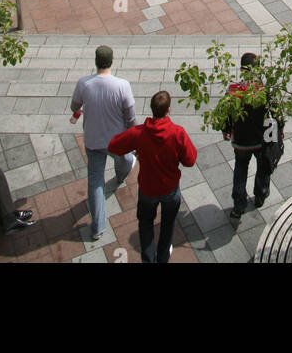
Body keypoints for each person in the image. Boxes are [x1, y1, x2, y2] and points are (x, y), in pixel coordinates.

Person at [108, 90, 197, 264]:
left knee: (146, 223)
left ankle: (148, 259)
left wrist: (135, 149)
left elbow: (114, 146)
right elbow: (190, 160)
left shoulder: (138, 133)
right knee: (168, 223)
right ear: (168, 110)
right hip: (170, 189)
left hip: (148, 189)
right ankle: (163, 257)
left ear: (151, 109)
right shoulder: (177, 133)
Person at [70, 46, 138, 240]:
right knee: (125, 158)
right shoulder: (122, 85)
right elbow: (131, 117)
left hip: (93, 140)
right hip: (117, 140)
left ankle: (98, 226)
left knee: (95, 180)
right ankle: (121, 175)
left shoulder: (84, 84)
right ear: (112, 61)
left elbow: (74, 105)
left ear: (96, 61)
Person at [223, 52, 283, 220]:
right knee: (262, 168)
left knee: (240, 169)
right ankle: (260, 195)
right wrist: (281, 127)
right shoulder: (264, 90)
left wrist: (225, 130)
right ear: (258, 69)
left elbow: (227, 113)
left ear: (242, 69)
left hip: (241, 141)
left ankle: (238, 205)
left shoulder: (234, 90)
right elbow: (275, 111)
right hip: (260, 139)